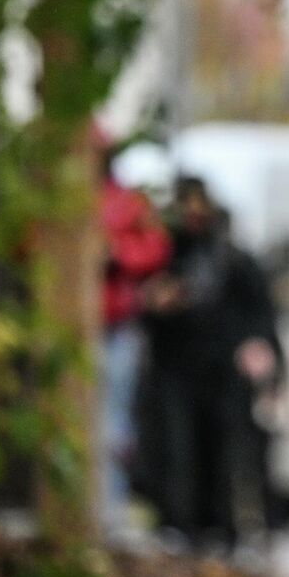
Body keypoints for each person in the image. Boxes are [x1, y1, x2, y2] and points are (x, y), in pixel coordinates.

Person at [140, 175, 283, 559]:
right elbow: (149, 312)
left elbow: (261, 316)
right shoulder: (167, 258)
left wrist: (259, 351)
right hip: (177, 370)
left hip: (224, 373)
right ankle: (181, 525)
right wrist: (159, 305)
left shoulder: (233, 260)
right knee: (179, 449)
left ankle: (222, 528)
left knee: (225, 453)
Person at [96, 137, 171, 545]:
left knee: (115, 423)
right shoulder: (62, 200)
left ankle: (110, 507)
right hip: (72, 329)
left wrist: (116, 255)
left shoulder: (126, 202)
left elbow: (155, 248)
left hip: (117, 327)